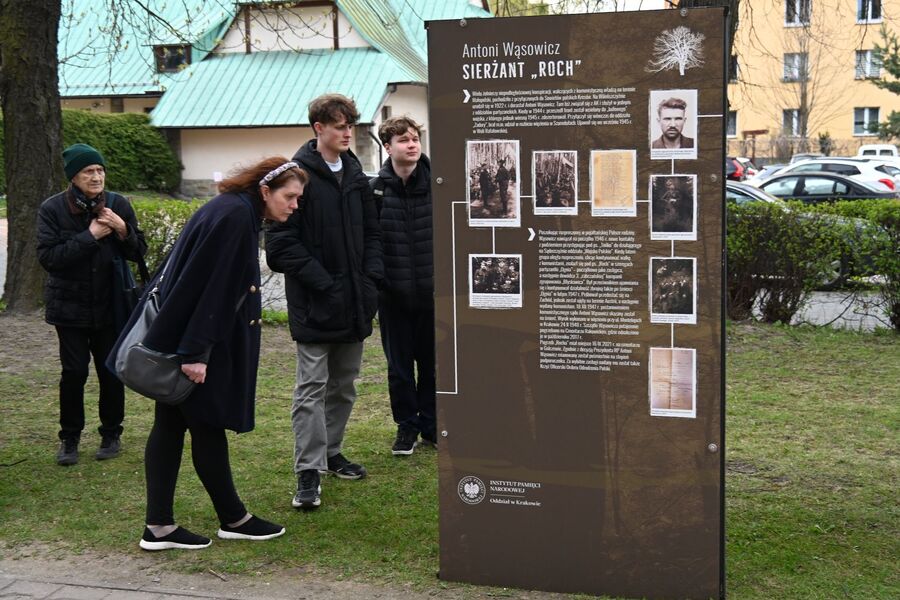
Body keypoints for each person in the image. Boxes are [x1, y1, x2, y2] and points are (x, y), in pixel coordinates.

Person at [130, 156, 304, 550]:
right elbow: (215, 289)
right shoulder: (235, 218)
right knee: (203, 424)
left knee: (172, 424)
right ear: (265, 190)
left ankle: (161, 526)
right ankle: (232, 518)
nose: (294, 205)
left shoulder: (228, 208)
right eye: (290, 197)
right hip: (197, 343)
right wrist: (195, 353)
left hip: (186, 336)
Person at [266, 94, 383, 511]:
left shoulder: (354, 173)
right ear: (319, 128)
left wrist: (369, 280)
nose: (347, 131)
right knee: (311, 389)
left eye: (350, 124)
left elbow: (373, 233)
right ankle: (308, 472)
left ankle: (332, 452)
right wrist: (326, 283)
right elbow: (279, 246)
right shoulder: (297, 177)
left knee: (345, 386)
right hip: (316, 305)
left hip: (355, 303)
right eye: (338, 125)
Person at [37, 143, 147, 466]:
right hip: (68, 307)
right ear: (74, 177)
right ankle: (69, 438)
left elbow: (138, 251)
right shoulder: (52, 209)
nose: (96, 176)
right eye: (89, 171)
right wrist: (92, 235)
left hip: (112, 304)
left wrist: (122, 229)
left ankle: (111, 432)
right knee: (73, 373)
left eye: (100, 170)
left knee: (110, 371)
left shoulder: (117, 205)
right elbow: (49, 258)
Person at [371, 116, 435, 456]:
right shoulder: (375, 191)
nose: (412, 145)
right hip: (393, 297)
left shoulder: (439, 184)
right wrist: (381, 283)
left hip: (432, 295)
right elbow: (370, 242)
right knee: (399, 370)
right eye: (403, 140)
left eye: (415, 139)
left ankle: (432, 425)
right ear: (388, 147)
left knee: (432, 365)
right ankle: (406, 427)